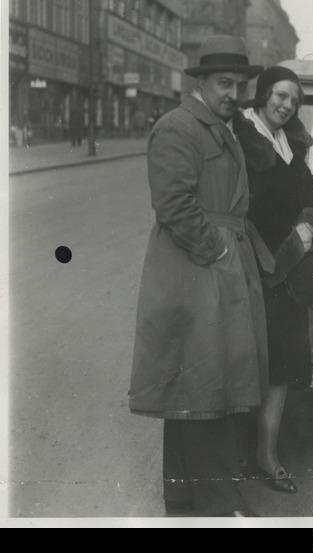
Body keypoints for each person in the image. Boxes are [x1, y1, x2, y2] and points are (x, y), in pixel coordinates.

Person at [128, 35, 272, 517]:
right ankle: (217, 505)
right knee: (206, 385)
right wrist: (216, 249)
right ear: (202, 83)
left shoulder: (221, 126)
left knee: (199, 385)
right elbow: (172, 203)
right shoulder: (179, 126)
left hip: (216, 267)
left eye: (239, 84)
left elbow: (262, 168)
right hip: (197, 269)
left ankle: (186, 498)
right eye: (224, 83)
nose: (233, 92)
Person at [232, 66, 313, 494]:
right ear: (261, 95)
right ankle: (236, 451)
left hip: (287, 270)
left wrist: (310, 223)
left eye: (293, 100)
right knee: (244, 361)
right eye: (279, 95)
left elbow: (312, 195)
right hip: (251, 267)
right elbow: (240, 203)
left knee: (279, 368)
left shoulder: (291, 142)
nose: (286, 105)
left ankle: (267, 455)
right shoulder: (240, 136)